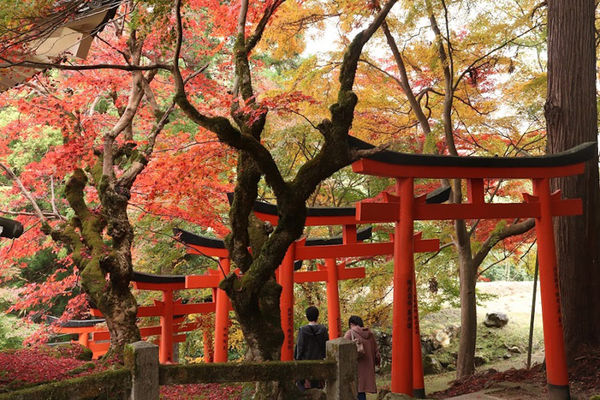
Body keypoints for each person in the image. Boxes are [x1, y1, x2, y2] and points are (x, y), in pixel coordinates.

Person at [344, 315, 380, 400]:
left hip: (355, 367)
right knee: (361, 391)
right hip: (368, 368)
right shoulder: (370, 334)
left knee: (356, 390)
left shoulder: (350, 333)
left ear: (351, 324)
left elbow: (343, 349)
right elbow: (377, 352)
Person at [294, 306, 329, 390]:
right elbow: (326, 346)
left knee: (306, 389)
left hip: (306, 363)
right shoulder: (323, 329)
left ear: (307, 316)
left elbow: (300, 347)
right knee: (318, 388)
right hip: (319, 362)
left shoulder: (303, 330)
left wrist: (298, 359)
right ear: (317, 316)